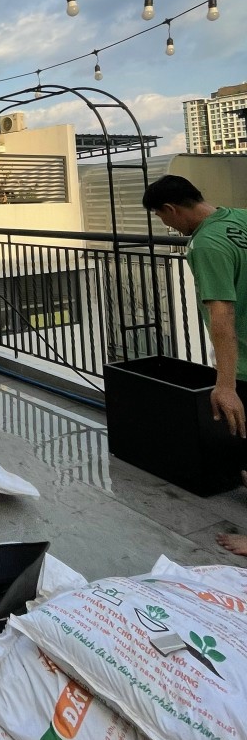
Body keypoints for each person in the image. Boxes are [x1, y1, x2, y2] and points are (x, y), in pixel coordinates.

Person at [142, 174, 247, 557]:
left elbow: (222, 315)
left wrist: (226, 383)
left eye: (162, 217)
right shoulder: (241, 217)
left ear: (171, 209)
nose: (167, 225)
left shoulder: (205, 244)